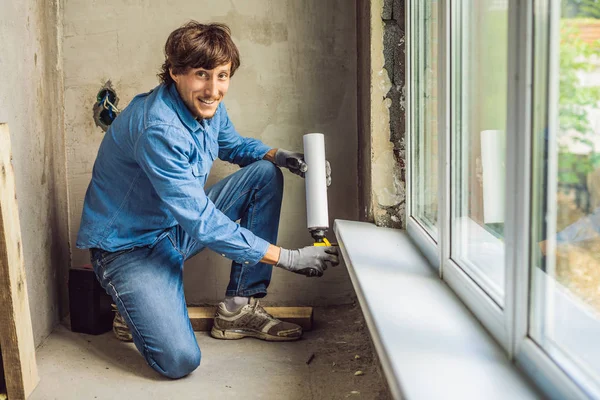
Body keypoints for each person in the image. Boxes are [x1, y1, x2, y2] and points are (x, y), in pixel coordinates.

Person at [76, 21, 339, 379]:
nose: (214, 89)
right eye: (202, 74)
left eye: (222, 75)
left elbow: (232, 145)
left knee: (263, 174)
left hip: (173, 228)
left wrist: (282, 156)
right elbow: (202, 221)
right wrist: (289, 258)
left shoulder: (206, 105)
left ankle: (238, 309)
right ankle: (131, 304)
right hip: (129, 248)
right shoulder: (158, 128)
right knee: (179, 361)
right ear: (175, 72)